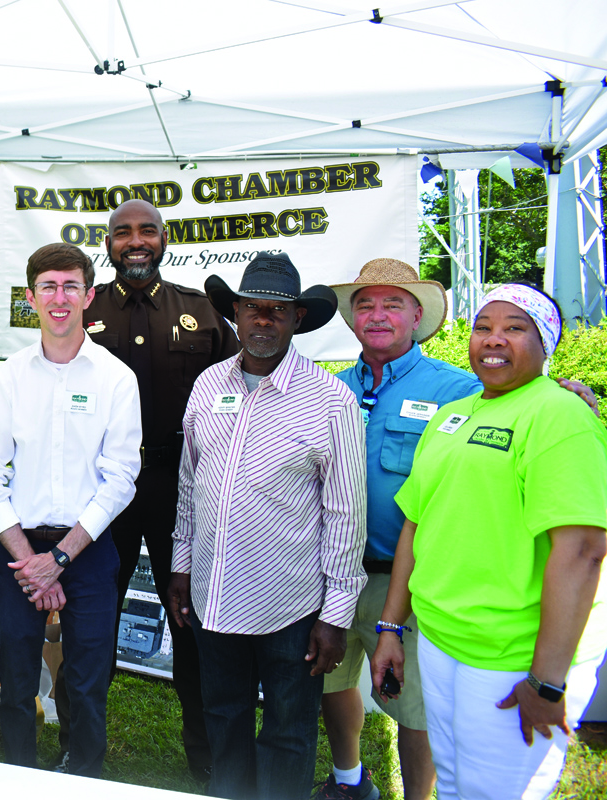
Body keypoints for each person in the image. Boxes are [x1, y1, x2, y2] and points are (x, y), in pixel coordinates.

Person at [317, 260, 601, 800]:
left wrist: (570, 399)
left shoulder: (462, 391)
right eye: (365, 304)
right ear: (352, 319)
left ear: (418, 316)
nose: (377, 315)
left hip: (446, 609)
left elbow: (582, 541)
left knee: (417, 716)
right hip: (337, 579)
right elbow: (416, 510)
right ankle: (350, 780)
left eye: (392, 303)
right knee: (341, 689)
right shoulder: (333, 391)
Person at [168, 251, 367, 800]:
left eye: (277, 312)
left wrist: (335, 615)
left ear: (298, 319)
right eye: (253, 309)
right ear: (234, 313)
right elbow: (190, 485)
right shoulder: (208, 386)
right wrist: (182, 566)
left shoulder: (331, 401)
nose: (263, 321)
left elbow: (347, 515)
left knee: (287, 733)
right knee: (224, 719)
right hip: (213, 600)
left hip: (291, 611)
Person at [79, 198, 238, 782]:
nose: (135, 240)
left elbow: (236, 394)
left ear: (165, 238)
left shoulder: (200, 312)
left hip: (183, 487)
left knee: (194, 628)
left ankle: (210, 763)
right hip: (103, 491)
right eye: (123, 232)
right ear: (109, 243)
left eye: (147, 230)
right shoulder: (84, 310)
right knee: (91, 622)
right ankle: (80, 750)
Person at [0, 242, 142, 778]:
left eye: (71, 286)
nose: (60, 297)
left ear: (89, 296)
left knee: (89, 679)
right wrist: (31, 561)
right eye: (49, 286)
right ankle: (17, 775)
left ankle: (83, 772)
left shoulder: (117, 378)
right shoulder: (9, 377)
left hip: (87, 552)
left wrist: (60, 560)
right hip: (20, 550)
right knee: (17, 678)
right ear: (31, 298)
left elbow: (121, 480)